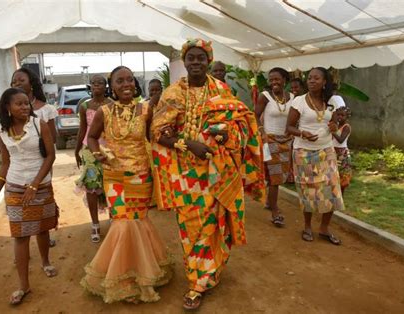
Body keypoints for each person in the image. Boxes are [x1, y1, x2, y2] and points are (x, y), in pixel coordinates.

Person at [151, 39, 265, 310]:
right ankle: (197, 277)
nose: (196, 62)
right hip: (184, 175)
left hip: (218, 172)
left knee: (216, 225)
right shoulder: (173, 93)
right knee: (191, 228)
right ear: (184, 61)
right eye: (191, 58)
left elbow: (241, 125)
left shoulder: (222, 90)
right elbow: (158, 132)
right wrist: (189, 144)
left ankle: (206, 275)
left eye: (201, 58)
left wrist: (227, 134)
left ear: (209, 61)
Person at [80, 66, 172, 303]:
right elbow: (91, 136)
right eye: (120, 81)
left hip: (141, 175)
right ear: (113, 85)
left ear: (135, 83)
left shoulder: (146, 109)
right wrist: (96, 151)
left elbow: (155, 137)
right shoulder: (103, 111)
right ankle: (124, 279)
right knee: (122, 222)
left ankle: (142, 275)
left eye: (130, 80)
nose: (126, 84)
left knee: (138, 221)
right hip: (114, 177)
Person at [0, 88, 58, 305]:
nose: (25, 107)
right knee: (20, 235)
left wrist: (35, 184)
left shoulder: (39, 125)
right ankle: (23, 285)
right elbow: (6, 163)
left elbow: (51, 156)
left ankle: (45, 261)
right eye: (19, 104)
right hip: (15, 187)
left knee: (42, 228)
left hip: (40, 185)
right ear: (7, 108)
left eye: (26, 103)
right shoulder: (2, 131)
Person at [286, 67, 344, 245]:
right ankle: (308, 227)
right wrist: (303, 133)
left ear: (324, 82)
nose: (311, 81)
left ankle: (325, 228)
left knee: (333, 189)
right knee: (308, 190)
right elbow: (288, 128)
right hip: (303, 152)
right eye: (309, 78)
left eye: (316, 78)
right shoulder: (299, 101)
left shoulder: (331, 102)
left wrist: (335, 125)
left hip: (326, 150)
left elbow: (334, 122)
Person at [74, 74, 113, 242]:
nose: (96, 85)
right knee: (91, 187)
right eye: (93, 83)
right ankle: (95, 224)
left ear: (106, 86)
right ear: (90, 86)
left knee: (110, 184)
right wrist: (77, 151)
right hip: (89, 151)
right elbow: (82, 130)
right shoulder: (84, 106)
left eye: (100, 83)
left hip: (109, 150)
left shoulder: (112, 104)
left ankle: (113, 220)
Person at [256, 67, 295, 227]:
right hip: (269, 141)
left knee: (277, 177)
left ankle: (268, 202)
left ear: (284, 80)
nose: (274, 82)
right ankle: (275, 211)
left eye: (277, 79)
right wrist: (262, 132)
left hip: (286, 142)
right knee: (275, 179)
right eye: (271, 80)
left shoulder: (292, 97)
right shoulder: (264, 97)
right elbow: (255, 115)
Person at [332, 106, 352, 194]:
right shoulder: (335, 125)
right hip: (333, 151)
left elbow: (340, 140)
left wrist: (333, 131)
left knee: (342, 175)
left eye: (342, 115)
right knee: (333, 173)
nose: (340, 117)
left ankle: (341, 195)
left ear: (347, 116)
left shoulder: (346, 127)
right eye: (338, 115)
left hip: (342, 153)